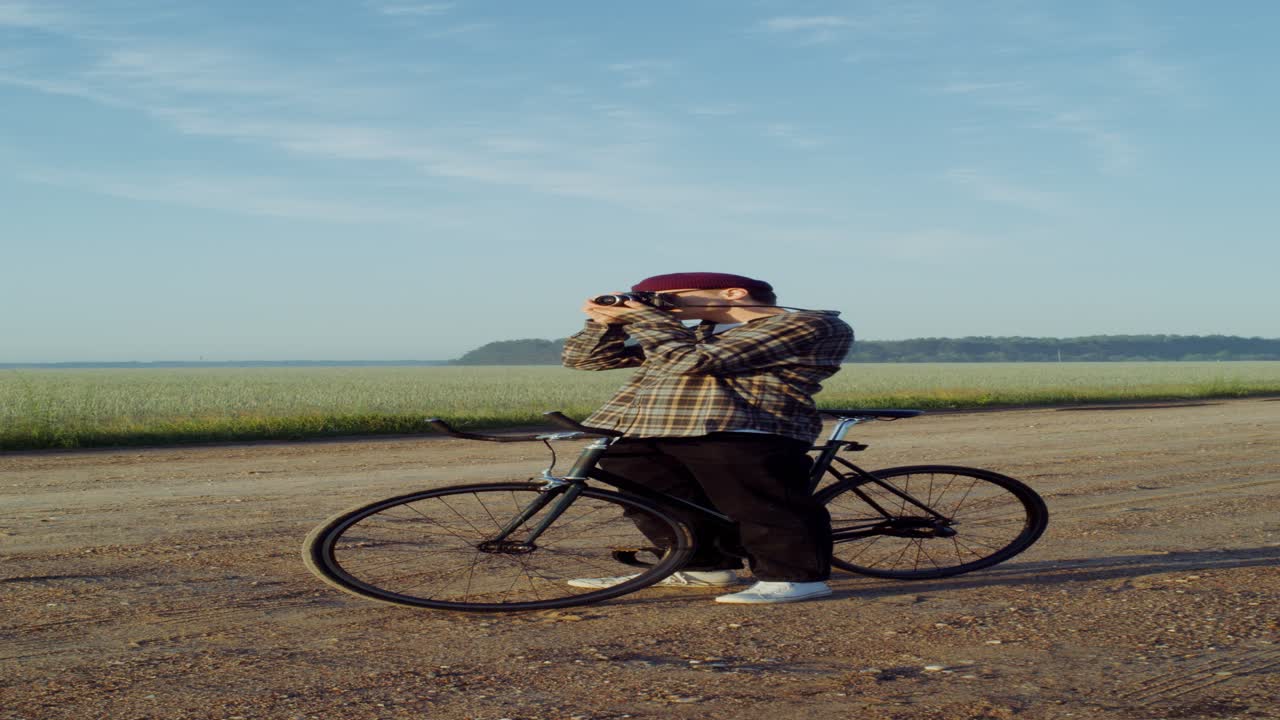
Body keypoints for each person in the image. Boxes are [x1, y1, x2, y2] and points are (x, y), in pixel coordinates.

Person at [561, 272, 854, 604]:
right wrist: (605, 324)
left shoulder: (808, 324)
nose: (657, 306)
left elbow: (693, 361)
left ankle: (797, 578)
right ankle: (702, 566)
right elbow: (585, 360)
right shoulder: (697, 332)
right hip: (652, 427)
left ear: (733, 293)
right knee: (655, 501)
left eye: (668, 298)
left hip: (746, 426)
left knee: (760, 504)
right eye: (647, 299)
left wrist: (645, 319)